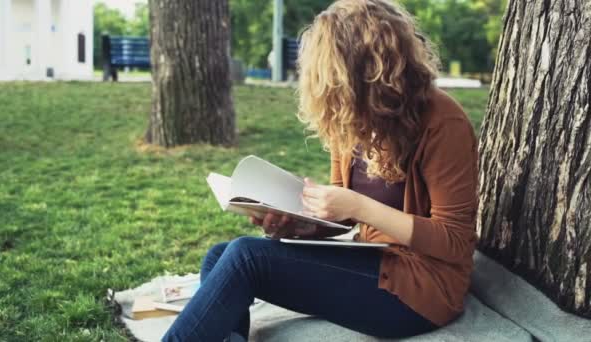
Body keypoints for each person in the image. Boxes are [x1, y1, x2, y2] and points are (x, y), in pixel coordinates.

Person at [163, 0, 478, 341]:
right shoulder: (352, 116)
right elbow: (342, 221)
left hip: (423, 289)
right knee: (219, 256)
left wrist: (358, 206)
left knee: (244, 259)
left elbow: (456, 242)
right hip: (373, 261)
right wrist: (296, 224)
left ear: (367, 71)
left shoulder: (442, 122)